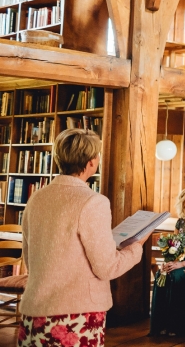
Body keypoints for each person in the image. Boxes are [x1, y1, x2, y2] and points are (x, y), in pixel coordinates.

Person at [18, 129, 149, 346]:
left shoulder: (37, 197)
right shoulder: (92, 202)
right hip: (76, 314)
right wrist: (137, 246)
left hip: (35, 311)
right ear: (91, 162)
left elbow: (29, 258)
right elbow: (107, 267)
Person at [150, 187, 185, 337]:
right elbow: (175, 246)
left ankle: (178, 327)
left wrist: (182, 264)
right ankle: (160, 326)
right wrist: (168, 262)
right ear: (183, 203)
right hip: (179, 263)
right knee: (161, 275)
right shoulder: (180, 223)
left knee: (175, 277)